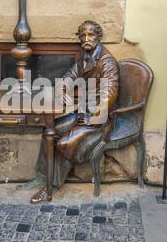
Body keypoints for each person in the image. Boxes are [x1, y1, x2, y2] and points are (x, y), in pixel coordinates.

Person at [16, 20, 120, 203]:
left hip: (98, 118)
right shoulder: (85, 57)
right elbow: (67, 78)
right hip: (83, 110)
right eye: (83, 35)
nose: (86, 39)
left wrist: (94, 116)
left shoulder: (106, 61)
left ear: (99, 37)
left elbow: (109, 94)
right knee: (50, 129)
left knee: (64, 142)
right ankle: (42, 175)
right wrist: (62, 91)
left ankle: (52, 184)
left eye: (91, 35)